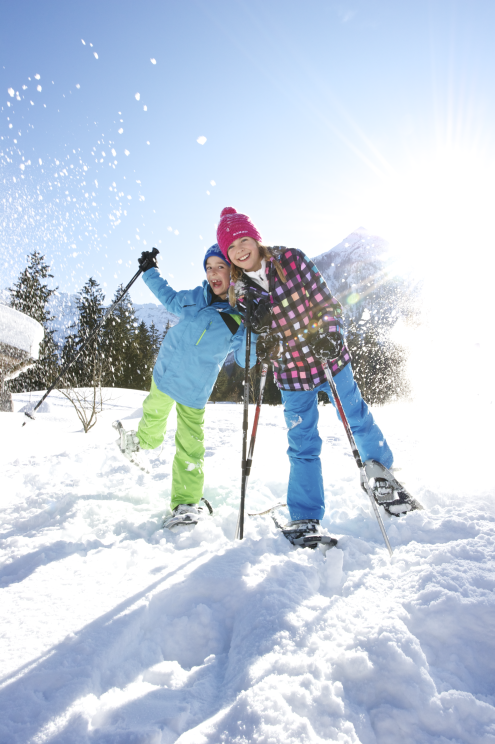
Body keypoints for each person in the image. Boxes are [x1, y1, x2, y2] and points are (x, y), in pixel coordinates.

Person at [215, 206, 419, 546]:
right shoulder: (243, 293)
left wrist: (331, 332)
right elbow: (257, 339)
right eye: (230, 247)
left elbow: (328, 303)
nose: (239, 250)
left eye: (243, 239)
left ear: (256, 237)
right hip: (292, 374)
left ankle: (381, 474)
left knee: (355, 415)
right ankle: (305, 515)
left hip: (327, 357)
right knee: (302, 443)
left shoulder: (292, 260)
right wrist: (263, 339)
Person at [115, 244, 257, 529]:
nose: (214, 273)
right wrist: (150, 271)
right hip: (166, 374)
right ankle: (141, 441)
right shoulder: (195, 297)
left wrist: (257, 327)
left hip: (195, 389)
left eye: (221, 267)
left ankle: (186, 502)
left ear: (234, 271)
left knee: (190, 447)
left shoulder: (239, 317)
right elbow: (168, 297)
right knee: (153, 416)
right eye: (209, 267)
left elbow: (246, 358)